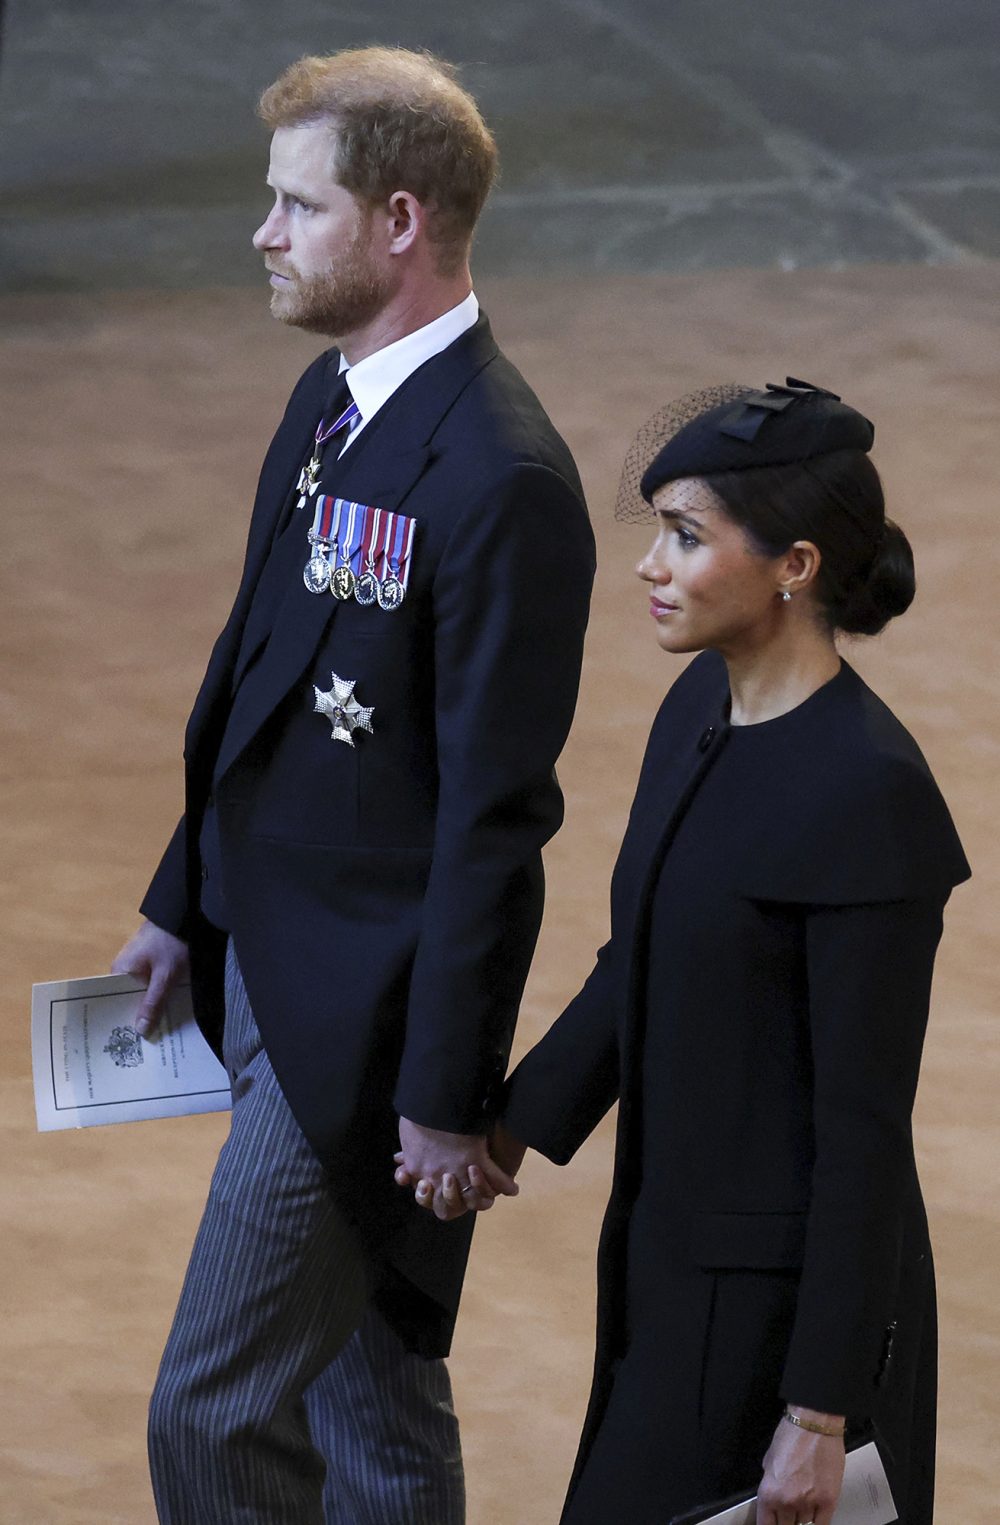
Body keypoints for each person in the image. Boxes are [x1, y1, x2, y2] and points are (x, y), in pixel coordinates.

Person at [111, 47, 595, 1525]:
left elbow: (494, 818)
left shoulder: (499, 475)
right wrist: (184, 898)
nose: (262, 233)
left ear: (398, 219)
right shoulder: (333, 402)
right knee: (369, 1389)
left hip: (365, 1034)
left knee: (211, 1406)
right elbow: (254, 678)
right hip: (262, 959)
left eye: (293, 205)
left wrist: (447, 1097)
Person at [476, 380, 969, 1523]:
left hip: (779, 1332)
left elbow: (861, 1134)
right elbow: (638, 956)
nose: (651, 564)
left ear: (793, 565)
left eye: (686, 537)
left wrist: (818, 1414)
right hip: (668, 1269)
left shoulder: (869, 795)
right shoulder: (700, 707)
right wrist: (507, 1128)